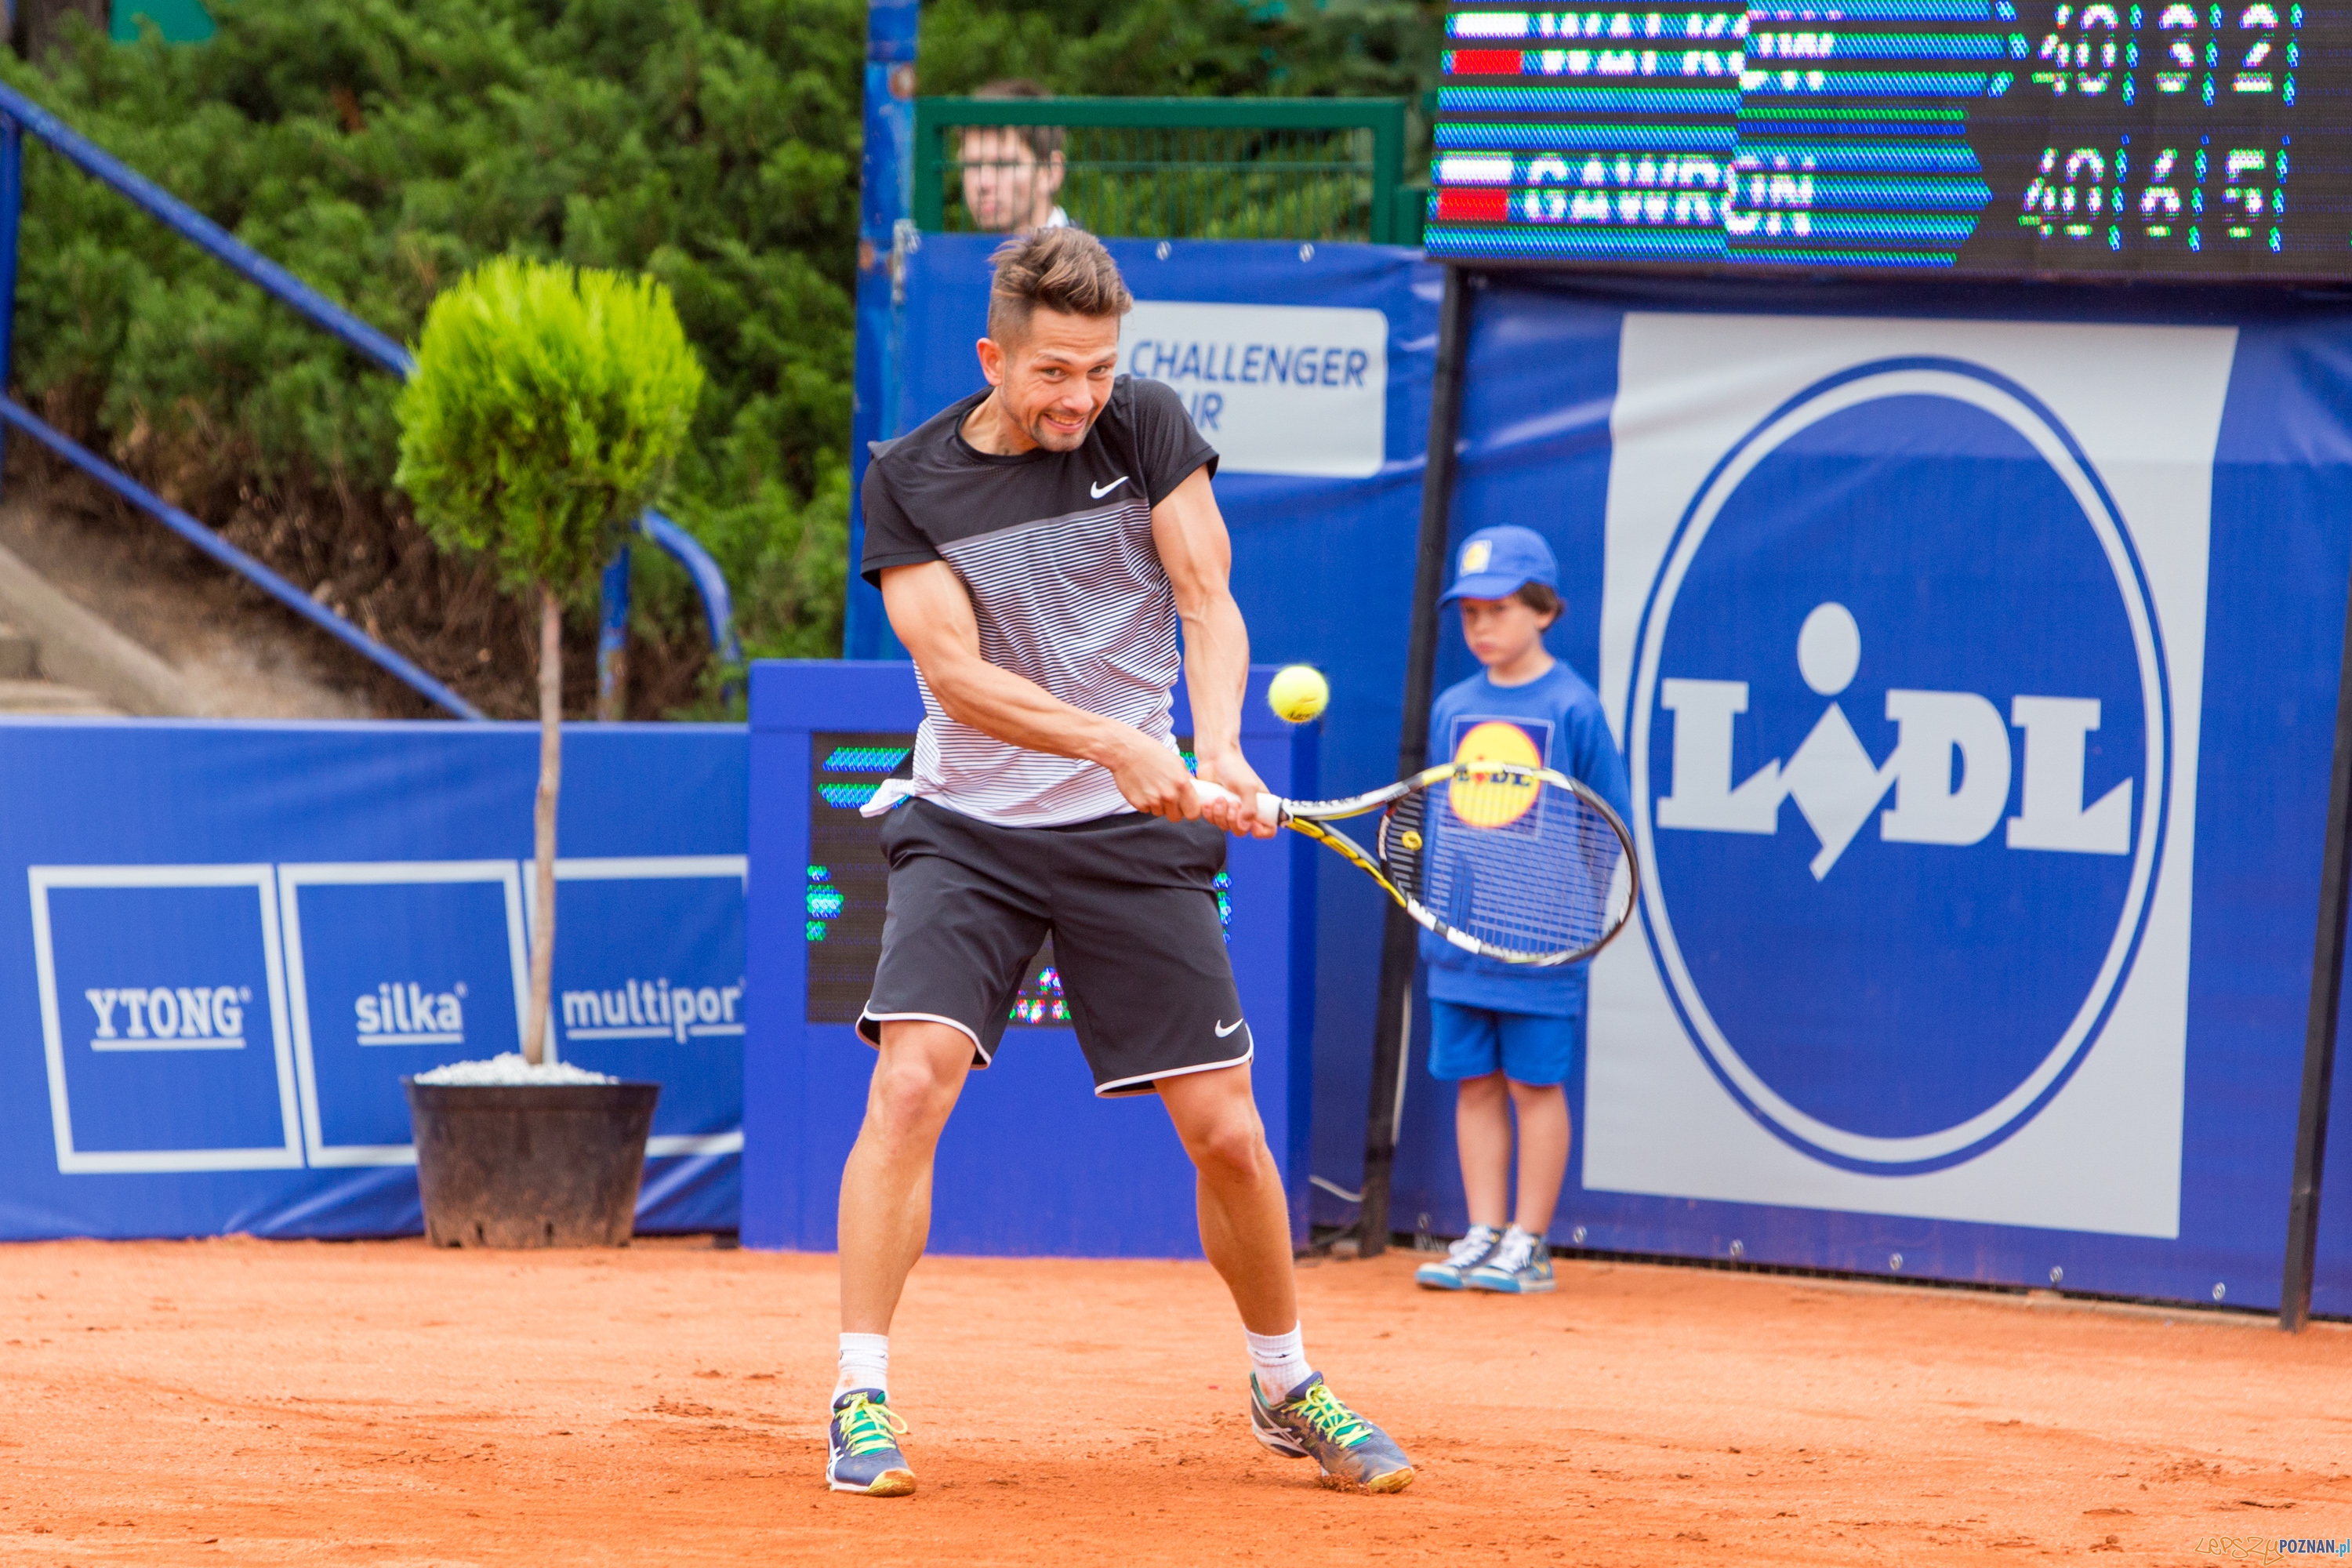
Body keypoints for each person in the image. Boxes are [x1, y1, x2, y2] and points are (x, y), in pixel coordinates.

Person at [828, 226, 1414, 1498]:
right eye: (1053, 373)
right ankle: (859, 1397)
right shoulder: (910, 479)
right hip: (970, 831)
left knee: (1229, 1133)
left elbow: (1205, 597)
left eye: (1098, 369)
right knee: (911, 1085)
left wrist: (1221, 745)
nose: (1080, 397)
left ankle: (1284, 1382)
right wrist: (1113, 742)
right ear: (994, 359)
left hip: (1131, 840)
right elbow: (953, 676)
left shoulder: (1146, 424)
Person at [1411, 525, 1632, 1296]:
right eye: (1470, 613)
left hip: (1543, 949)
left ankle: (1529, 1243)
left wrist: (1571, 922)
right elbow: (1440, 819)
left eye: (1498, 609)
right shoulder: (1453, 706)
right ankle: (1484, 1232)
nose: (1481, 626)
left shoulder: (1574, 707)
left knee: (1535, 1088)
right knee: (1473, 1083)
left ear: (1544, 610)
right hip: (1458, 944)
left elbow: (1608, 826)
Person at [959, 79, 1071, 234]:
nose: (983, 183)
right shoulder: (952, 248)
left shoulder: (1092, 249)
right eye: (972, 165)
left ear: (1051, 172)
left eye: (1003, 164)